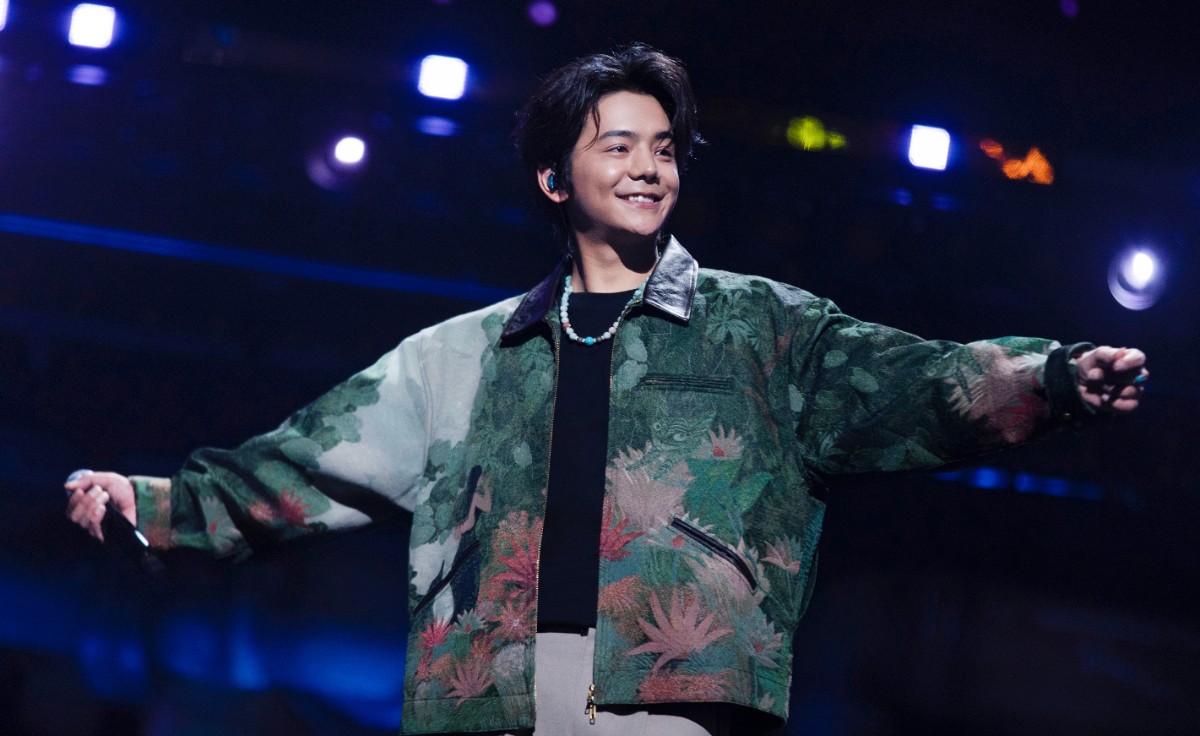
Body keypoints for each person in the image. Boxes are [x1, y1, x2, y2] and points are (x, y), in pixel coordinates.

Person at [66, 43, 1147, 736]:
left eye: (664, 149)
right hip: (487, 695)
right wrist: (153, 503)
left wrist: (1052, 376)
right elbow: (304, 465)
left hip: (675, 697)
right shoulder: (461, 356)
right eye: (618, 145)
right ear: (554, 177)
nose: (647, 167)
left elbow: (913, 382)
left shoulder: (760, 328)